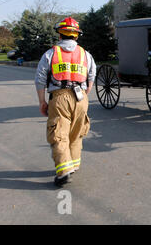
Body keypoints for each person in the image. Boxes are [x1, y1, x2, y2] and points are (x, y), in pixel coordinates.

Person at [35, 17, 96, 187]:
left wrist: (42, 101)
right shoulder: (86, 54)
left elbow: (40, 79)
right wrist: (83, 94)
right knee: (76, 133)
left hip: (60, 98)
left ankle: (63, 171)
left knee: (59, 135)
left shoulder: (51, 53)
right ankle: (73, 164)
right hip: (81, 97)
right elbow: (91, 77)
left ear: (60, 34)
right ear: (76, 36)